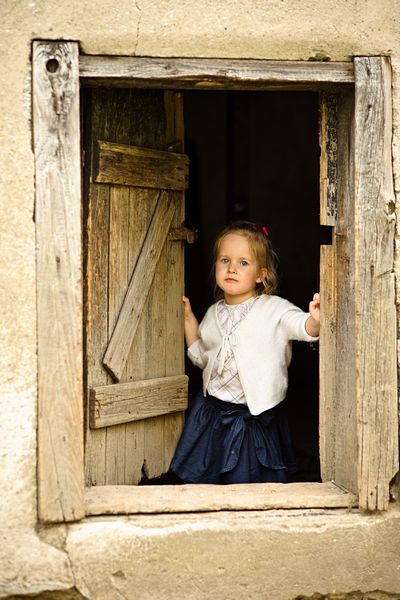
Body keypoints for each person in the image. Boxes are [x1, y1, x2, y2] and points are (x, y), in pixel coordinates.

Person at [169, 221, 320, 484]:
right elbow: (203, 358)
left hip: (253, 418)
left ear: (261, 275)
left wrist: (315, 321)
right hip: (213, 415)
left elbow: (301, 326)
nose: (231, 268)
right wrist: (189, 321)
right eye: (225, 260)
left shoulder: (274, 309)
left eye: (243, 263)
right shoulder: (213, 313)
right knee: (208, 482)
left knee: (251, 483)